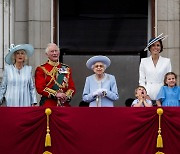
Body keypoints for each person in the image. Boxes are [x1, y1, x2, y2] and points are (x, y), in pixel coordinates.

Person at [139, 33, 172, 105]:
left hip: (163, 94)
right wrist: (145, 94)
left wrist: (164, 95)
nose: (156, 47)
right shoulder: (144, 61)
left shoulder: (167, 61)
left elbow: (169, 80)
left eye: (158, 45)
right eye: (153, 45)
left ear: (161, 47)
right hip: (147, 94)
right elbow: (142, 80)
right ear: (150, 48)